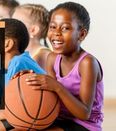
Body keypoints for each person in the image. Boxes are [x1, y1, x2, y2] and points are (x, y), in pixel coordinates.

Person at [25, 2, 103, 131]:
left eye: (65, 28)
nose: (56, 33)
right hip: (58, 118)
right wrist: (25, 79)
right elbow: (50, 97)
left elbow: (84, 113)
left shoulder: (87, 63)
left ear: (82, 34)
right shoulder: (52, 58)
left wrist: (57, 86)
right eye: (53, 27)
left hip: (85, 125)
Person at [0, 18, 45, 131]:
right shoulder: (1, 67)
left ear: (8, 44)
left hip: (39, 114)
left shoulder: (19, 63)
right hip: (24, 114)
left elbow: (9, 110)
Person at [12, 4, 51, 69]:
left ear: (33, 30)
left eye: (15, 23)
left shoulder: (43, 55)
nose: (10, 26)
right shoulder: (20, 53)